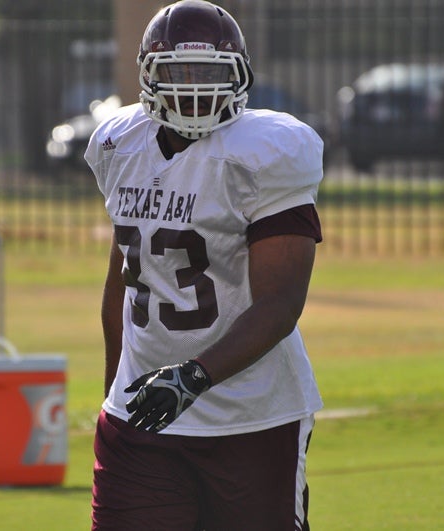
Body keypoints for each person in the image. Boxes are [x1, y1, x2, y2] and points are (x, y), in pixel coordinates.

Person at [84, 1, 324, 529]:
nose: (193, 89)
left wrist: (194, 377)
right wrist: (114, 398)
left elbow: (280, 303)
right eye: (178, 73)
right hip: (144, 420)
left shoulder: (264, 153)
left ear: (239, 77)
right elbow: (124, 278)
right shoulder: (120, 143)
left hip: (251, 418)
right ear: (148, 75)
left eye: (210, 73)